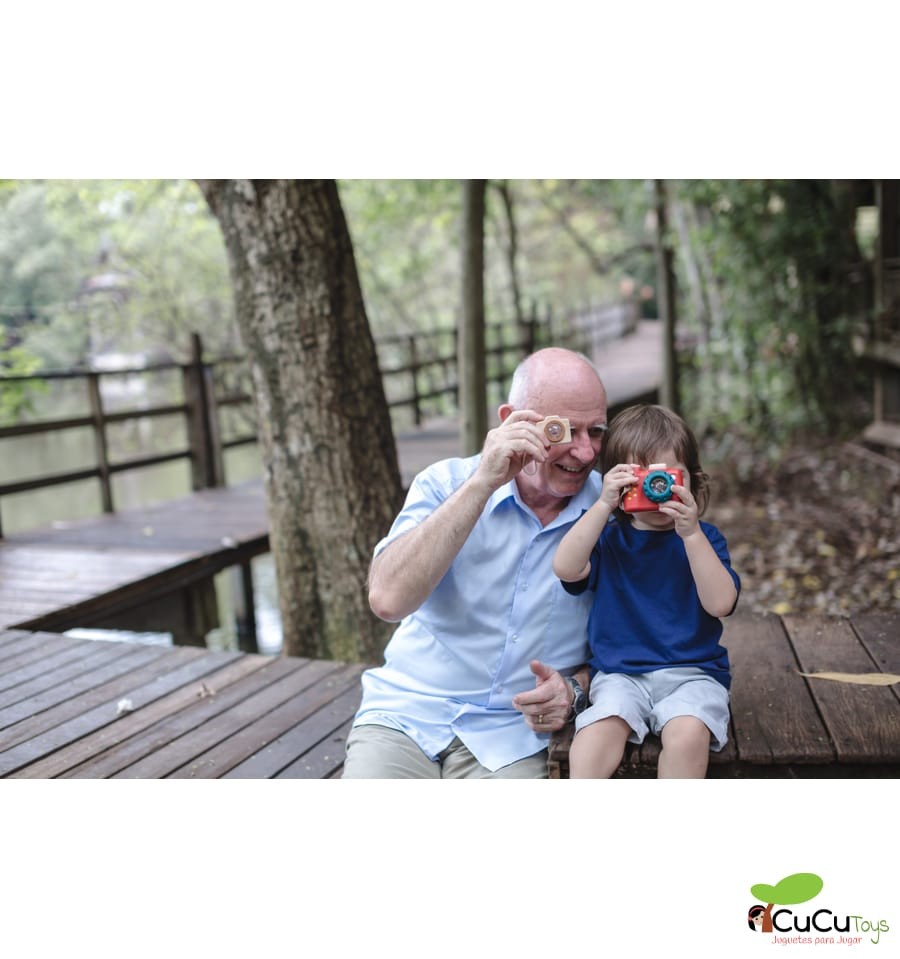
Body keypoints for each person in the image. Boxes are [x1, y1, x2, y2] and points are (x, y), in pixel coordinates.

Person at [342, 347, 609, 778]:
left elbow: (648, 636)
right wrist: (483, 483)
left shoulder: (611, 511)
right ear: (512, 421)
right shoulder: (444, 482)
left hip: (518, 731)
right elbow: (388, 600)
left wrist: (576, 689)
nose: (584, 452)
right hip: (408, 713)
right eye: (563, 430)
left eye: (595, 432)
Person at [552, 404, 740, 779]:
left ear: (691, 481)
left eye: (667, 477)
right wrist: (603, 505)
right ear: (618, 482)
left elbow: (721, 604)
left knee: (688, 736)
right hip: (620, 675)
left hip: (693, 674)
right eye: (641, 479)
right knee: (595, 734)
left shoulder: (705, 540)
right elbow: (565, 567)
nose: (657, 490)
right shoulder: (608, 539)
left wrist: (691, 535)